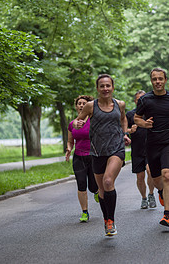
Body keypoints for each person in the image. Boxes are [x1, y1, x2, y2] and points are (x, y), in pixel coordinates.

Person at [73, 74, 131, 236]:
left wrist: (125, 133)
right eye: (102, 86)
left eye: (108, 85)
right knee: (101, 190)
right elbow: (78, 122)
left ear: (112, 87)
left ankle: (111, 221)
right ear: (97, 88)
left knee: (108, 181)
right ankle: (106, 220)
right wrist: (79, 123)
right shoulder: (91, 106)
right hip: (97, 151)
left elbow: (123, 120)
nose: (105, 89)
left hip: (116, 149)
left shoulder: (120, 104)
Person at [134, 68, 169, 228]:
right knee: (156, 180)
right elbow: (136, 118)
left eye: (160, 79)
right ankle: (161, 192)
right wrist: (144, 124)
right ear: (151, 81)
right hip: (151, 145)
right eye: (154, 79)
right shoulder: (145, 100)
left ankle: (167, 215)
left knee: (167, 175)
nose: (158, 82)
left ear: (165, 80)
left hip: (168, 143)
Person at [66, 95, 99, 223]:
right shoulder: (72, 124)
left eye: (83, 103)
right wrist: (69, 148)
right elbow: (70, 141)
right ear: (76, 106)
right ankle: (85, 212)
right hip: (78, 157)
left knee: (92, 186)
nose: (81, 105)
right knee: (81, 185)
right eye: (79, 103)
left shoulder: (94, 121)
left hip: (92, 156)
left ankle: (96, 191)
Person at [126, 90, 156, 209]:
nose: (141, 101)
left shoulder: (152, 113)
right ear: (135, 101)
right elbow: (123, 129)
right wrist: (129, 131)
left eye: (143, 99)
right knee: (140, 177)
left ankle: (151, 194)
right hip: (137, 150)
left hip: (151, 149)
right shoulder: (130, 115)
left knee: (150, 172)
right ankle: (143, 198)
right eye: (138, 99)